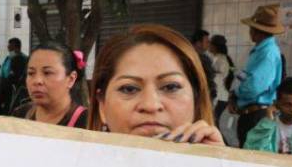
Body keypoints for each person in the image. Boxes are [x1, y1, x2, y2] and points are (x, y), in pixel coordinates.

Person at [87, 24, 224, 147]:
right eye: (129, 89)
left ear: (197, 99)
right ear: (102, 105)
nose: (150, 105)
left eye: (171, 87)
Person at [233, 5, 284, 148]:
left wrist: (236, 92)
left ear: (257, 31)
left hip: (257, 115)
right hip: (251, 113)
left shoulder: (267, 53)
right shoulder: (261, 50)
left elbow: (254, 87)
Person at [12, 42, 88, 128]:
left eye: (47, 73)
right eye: (31, 73)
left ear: (71, 79)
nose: (37, 81)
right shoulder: (19, 115)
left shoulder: (88, 123)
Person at [243, 78, 292, 155]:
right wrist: (268, 123)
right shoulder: (267, 125)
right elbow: (251, 150)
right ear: (276, 103)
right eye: (288, 105)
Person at [0, 37, 28, 115]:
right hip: (4, 88)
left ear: (16, 46)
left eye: (10, 45)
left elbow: (15, 76)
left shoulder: (22, 58)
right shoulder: (8, 58)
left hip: (13, 90)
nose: (8, 47)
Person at [209, 34, 235, 125]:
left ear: (214, 46)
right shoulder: (221, 58)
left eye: (210, 43)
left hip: (219, 97)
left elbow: (217, 79)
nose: (208, 46)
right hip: (222, 96)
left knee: (216, 125)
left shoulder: (220, 59)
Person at [191, 29, 218, 103]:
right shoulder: (195, 58)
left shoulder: (203, 57)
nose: (209, 44)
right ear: (199, 43)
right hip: (199, 98)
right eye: (207, 42)